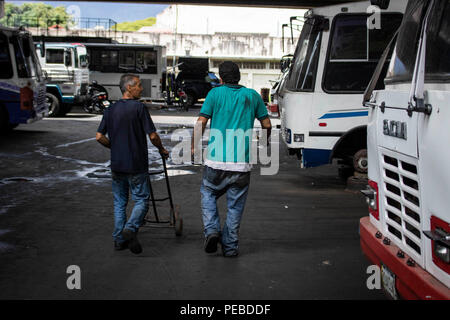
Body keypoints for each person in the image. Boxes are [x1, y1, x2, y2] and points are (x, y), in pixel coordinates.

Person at [192, 61, 272, 257]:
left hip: (215, 162)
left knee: (208, 193)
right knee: (235, 206)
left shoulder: (214, 94)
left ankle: (211, 231)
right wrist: (263, 144)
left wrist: (194, 146)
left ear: (220, 78)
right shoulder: (252, 96)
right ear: (239, 76)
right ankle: (230, 247)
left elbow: (201, 121)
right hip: (241, 165)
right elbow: (267, 124)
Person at [96, 74, 169, 255]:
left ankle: (119, 240)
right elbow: (152, 135)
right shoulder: (139, 108)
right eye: (138, 85)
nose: (141, 88)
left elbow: (99, 136)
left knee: (120, 202)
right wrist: (162, 149)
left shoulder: (110, 109)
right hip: (136, 164)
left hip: (117, 165)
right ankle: (130, 228)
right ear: (128, 88)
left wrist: (114, 147)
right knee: (141, 200)